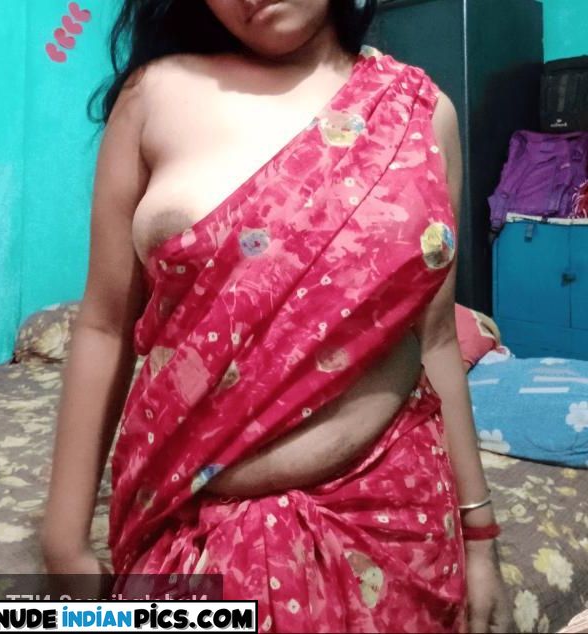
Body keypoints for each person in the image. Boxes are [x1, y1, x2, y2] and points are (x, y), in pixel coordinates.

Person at [40, 0, 512, 631]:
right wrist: (64, 542)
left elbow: (435, 339)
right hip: (187, 531)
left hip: (394, 522)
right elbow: (104, 326)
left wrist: (480, 539)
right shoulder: (152, 97)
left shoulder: (417, 114)